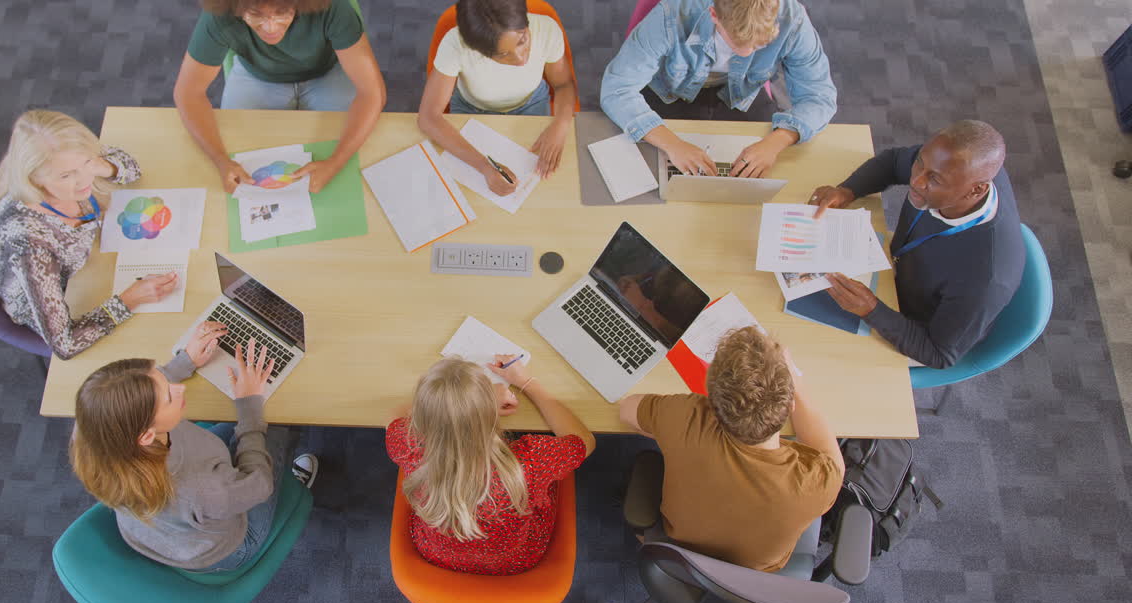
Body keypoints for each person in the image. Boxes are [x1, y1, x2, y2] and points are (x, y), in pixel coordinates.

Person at [70, 330, 319, 572]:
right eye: (169, 396)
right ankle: (290, 482)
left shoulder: (95, 422)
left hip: (167, 528)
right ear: (146, 436)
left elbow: (138, 394)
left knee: (237, 427)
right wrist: (249, 407)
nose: (179, 389)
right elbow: (259, 484)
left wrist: (184, 362)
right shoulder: (201, 490)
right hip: (231, 542)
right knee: (275, 420)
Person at [172, 0, 386, 194]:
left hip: (326, 73)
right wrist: (220, 160)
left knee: (354, 157)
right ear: (236, 5)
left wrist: (334, 162)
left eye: (282, 12)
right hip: (257, 75)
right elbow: (188, 92)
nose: (270, 27)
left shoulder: (329, 1)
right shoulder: (221, 13)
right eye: (255, 14)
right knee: (237, 152)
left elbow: (373, 92)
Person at [618, 326, 843, 574]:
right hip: (755, 577)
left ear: (713, 403)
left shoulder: (687, 415)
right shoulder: (816, 482)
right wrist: (797, 387)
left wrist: (668, 432)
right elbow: (831, 457)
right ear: (790, 407)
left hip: (683, 548)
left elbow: (626, 410)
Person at [808, 120, 1025, 369]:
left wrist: (872, 310)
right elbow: (892, 162)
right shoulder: (947, 162)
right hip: (899, 270)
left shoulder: (985, 278)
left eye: (934, 179)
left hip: (915, 326)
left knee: (815, 353)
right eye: (920, 162)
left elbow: (938, 354)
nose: (916, 181)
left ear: (976, 191)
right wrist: (848, 190)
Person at [600, 0, 837, 179]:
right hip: (671, 89)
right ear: (714, 15)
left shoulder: (793, 21)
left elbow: (819, 97)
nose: (747, 53)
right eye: (738, 42)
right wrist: (673, 145)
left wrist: (776, 142)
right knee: (651, 173)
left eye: (759, 45)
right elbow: (617, 89)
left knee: (759, 179)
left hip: (740, 92)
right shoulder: (672, 13)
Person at [0, 110, 178, 360]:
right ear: (33, 178)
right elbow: (65, 344)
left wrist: (98, 164)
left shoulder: (65, 155)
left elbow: (132, 168)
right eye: (66, 175)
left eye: (86, 162)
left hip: (84, 261)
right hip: (58, 295)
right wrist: (130, 299)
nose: (84, 181)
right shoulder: (30, 245)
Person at [386, 356, 595, 575]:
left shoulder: (408, 445)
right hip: (515, 559)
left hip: (436, 554)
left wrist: (459, 406)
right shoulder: (527, 463)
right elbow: (585, 442)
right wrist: (526, 384)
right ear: (487, 413)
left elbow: (395, 414)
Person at [418, 0, 577, 192]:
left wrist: (561, 124)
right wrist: (484, 166)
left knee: (544, 185)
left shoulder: (546, 29)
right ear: (477, 50)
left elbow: (564, 85)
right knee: (468, 187)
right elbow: (428, 117)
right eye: (502, 55)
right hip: (473, 107)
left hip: (531, 102)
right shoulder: (456, 44)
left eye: (522, 40)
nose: (520, 59)